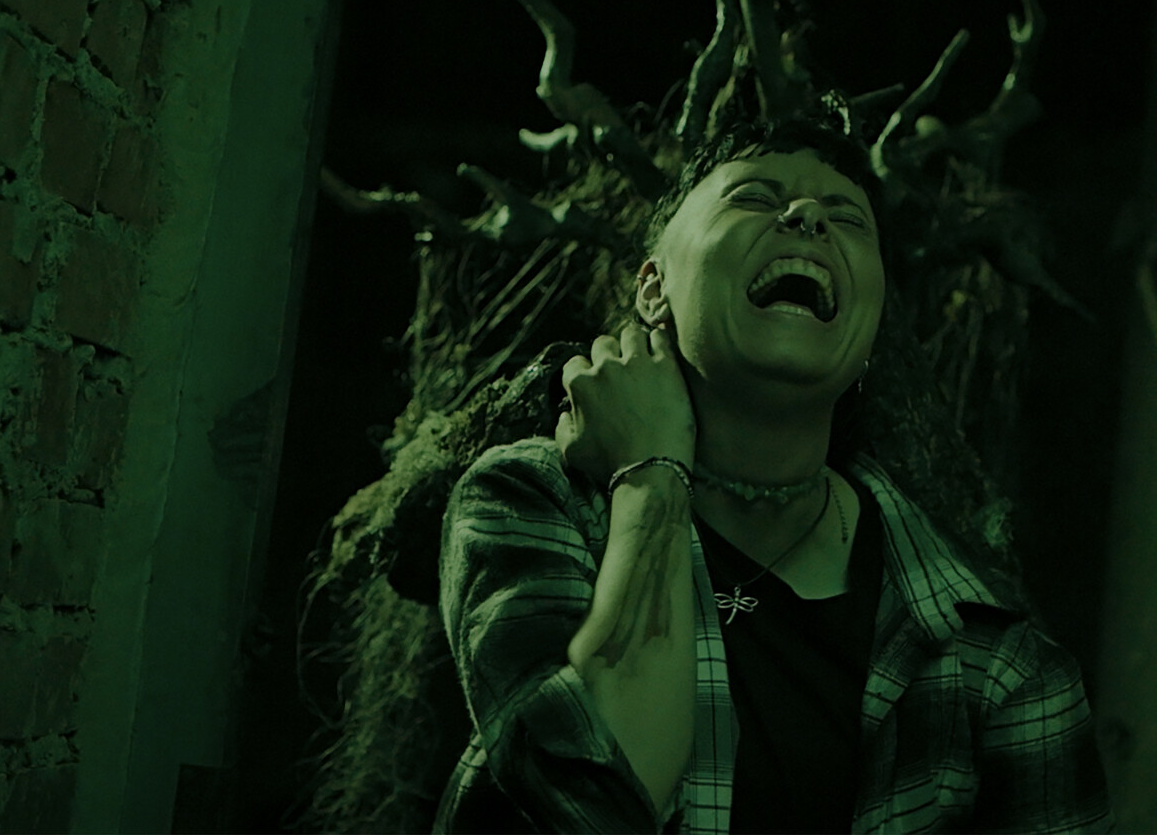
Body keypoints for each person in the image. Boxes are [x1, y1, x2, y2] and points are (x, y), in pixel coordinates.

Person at [433, 116, 1111, 833]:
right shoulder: (531, 504)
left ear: (875, 322)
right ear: (653, 288)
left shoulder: (1000, 667)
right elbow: (598, 803)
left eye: (848, 218)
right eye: (753, 197)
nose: (808, 214)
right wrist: (651, 475)